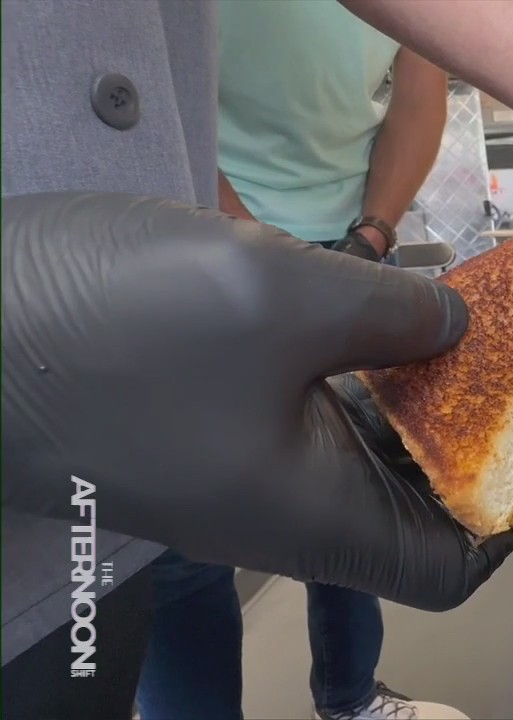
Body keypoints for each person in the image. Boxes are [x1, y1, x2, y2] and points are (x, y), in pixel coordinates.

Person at [0, 1, 513, 718]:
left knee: (127, 604)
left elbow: (414, 101)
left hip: (182, 290)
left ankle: (348, 697)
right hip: (164, 261)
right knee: (167, 571)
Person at [133, 3, 452, 718]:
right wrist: (259, 253)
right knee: (186, 539)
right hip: (190, 237)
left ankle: (350, 696)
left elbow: (420, 92)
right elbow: (156, 107)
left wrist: (369, 236)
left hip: (349, 246)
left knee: (348, 492)